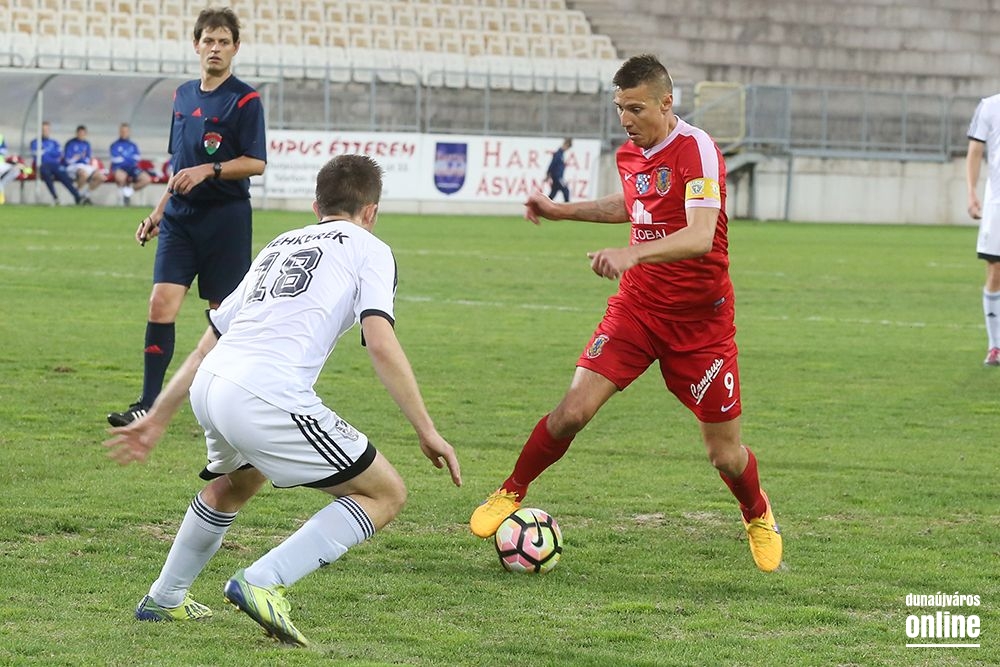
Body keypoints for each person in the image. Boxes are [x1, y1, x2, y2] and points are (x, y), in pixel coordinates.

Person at [104, 154, 462, 646]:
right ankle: (263, 581)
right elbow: (380, 342)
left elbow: (209, 340)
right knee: (386, 493)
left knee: (239, 481)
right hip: (264, 392)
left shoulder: (280, 243)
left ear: (317, 207)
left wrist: (158, 416)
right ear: (372, 212)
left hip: (212, 383)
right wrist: (427, 430)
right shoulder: (371, 248)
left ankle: (165, 597)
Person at [469, 54, 783, 573]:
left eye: (636, 108)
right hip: (637, 310)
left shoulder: (697, 150)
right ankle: (511, 490)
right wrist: (561, 210)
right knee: (572, 412)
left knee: (724, 455)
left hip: (700, 326)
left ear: (666, 102)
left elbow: (701, 235)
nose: (625, 119)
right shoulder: (630, 153)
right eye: (619, 108)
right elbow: (633, 204)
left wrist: (632, 253)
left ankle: (757, 513)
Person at [106, 6, 267, 427]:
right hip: (180, 218)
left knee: (222, 315)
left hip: (226, 220)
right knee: (160, 302)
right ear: (196, 45)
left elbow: (256, 162)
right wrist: (158, 212)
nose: (215, 48)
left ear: (236, 48)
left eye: (224, 42)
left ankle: (227, 408)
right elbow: (180, 166)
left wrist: (210, 169)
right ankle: (148, 402)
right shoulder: (182, 96)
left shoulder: (245, 99)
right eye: (208, 40)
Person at [966, 94, 1000, 367]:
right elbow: (976, 150)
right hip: (997, 202)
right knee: (995, 270)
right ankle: (995, 346)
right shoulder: (989, 106)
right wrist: (971, 192)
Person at [29, 121, 84, 206]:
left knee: (64, 175)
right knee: (46, 173)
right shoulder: (35, 142)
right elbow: (36, 154)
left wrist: (45, 151)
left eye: (47, 130)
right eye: (43, 130)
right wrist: (49, 153)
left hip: (55, 165)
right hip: (43, 165)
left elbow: (58, 154)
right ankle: (55, 197)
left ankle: (77, 197)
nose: (45, 132)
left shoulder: (54, 142)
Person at [109, 122, 153, 206]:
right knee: (121, 177)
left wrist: (124, 158)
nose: (124, 133)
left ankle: (128, 192)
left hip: (132, 168)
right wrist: (129, 158)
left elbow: (137, 158)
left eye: (126, 131)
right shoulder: (114, 145)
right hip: (119, 168)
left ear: (129, 132)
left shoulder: (133, 145)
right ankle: (121, 201)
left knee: (147, 179)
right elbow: (116, 159)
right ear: (119, 132)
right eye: (122, 131)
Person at [63, 124, 104, 205]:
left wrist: (82, 158)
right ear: (77, 133)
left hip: (84, 165)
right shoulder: (70, 143)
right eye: (80, 133)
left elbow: (88, 158)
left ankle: (86, 195)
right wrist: (76, 158)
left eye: (83, 133)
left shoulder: (86, 144)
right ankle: (77, 195)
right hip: (73, 166)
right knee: (83, 174)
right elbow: (67, 160)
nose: (81, 135)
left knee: (101, 177)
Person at [545, 137, 573, 202]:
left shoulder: (561, 154)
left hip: (557, 177)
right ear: (565, 145)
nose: (567, 149)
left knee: (553, 193)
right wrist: (548, 174)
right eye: (568, 147)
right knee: (566, 190)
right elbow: (552, 164)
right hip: (558, 177)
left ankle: (544, 205)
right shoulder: (558, 154)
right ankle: (567, 206)